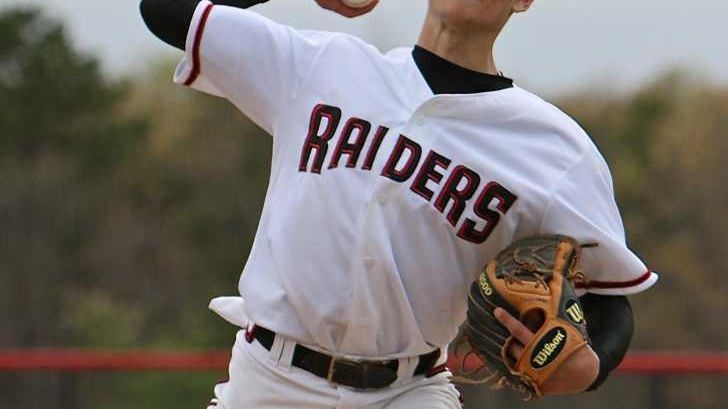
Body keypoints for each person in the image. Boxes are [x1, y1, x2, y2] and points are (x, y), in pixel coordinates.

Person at [139, 1, 658, 407]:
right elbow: (164, 9)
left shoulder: (552, 148)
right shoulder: (321, 65)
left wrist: (592, 367)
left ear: (523, 1)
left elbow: (612, 299)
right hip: (270, 380)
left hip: (407, 391)